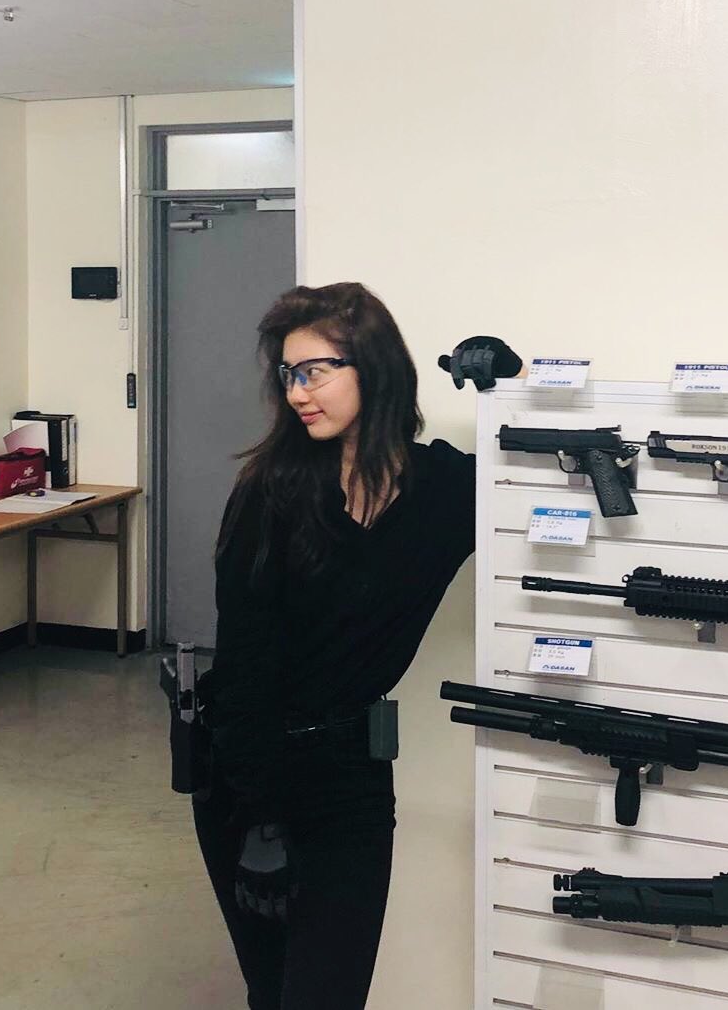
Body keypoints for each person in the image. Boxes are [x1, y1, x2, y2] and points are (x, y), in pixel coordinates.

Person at [191, 280, 521, 1010]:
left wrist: (514, 382)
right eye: (287, 374)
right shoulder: (270, 490)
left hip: (349, 777)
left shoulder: (441, 490)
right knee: (274, 993)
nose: (296, 393)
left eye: (314, 371)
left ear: (373, 368)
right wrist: (262, 820)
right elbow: (243, 666)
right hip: (248, 773)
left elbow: (530, 477)